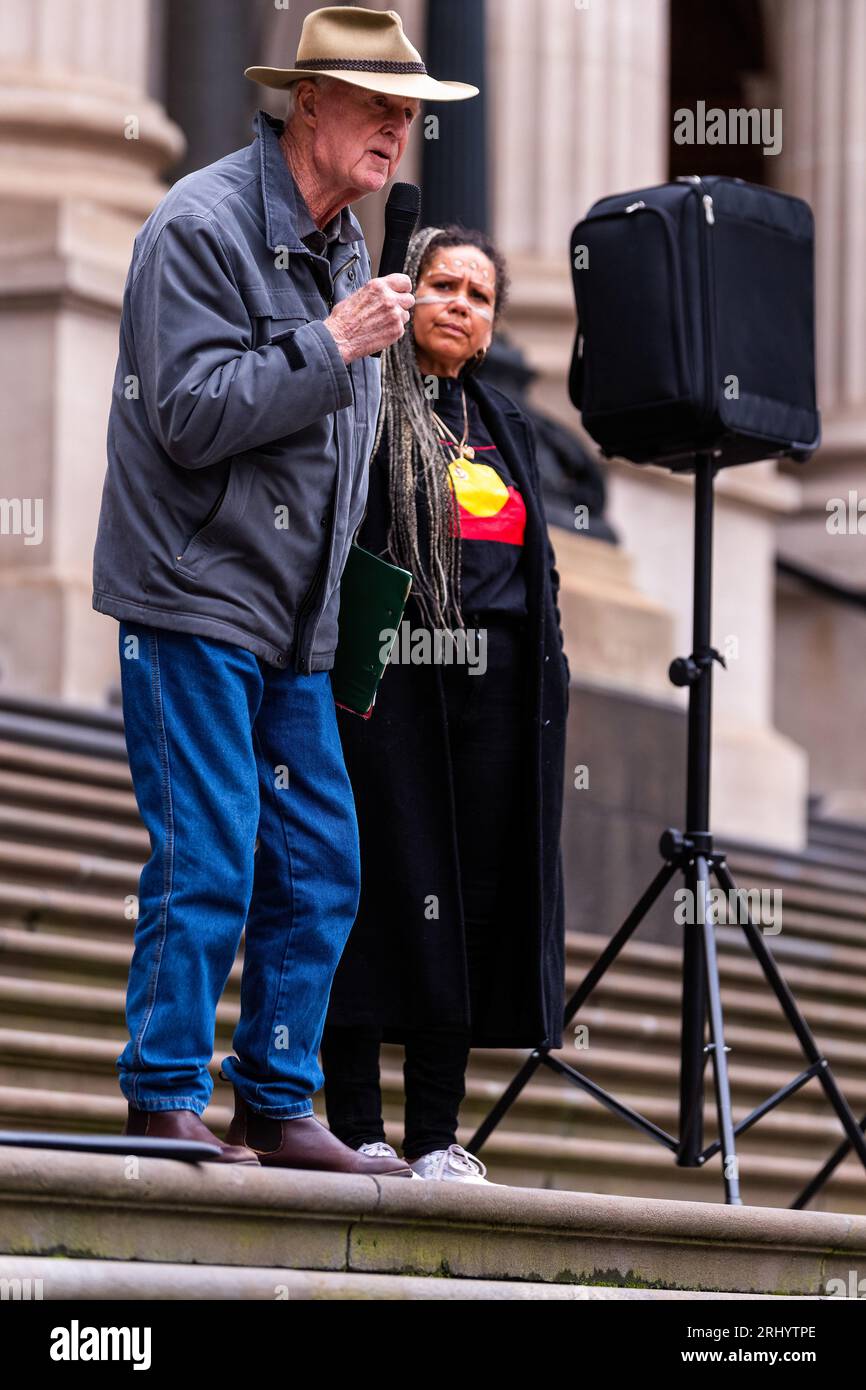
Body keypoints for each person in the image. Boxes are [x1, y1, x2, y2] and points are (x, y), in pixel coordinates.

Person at [90, 7, 477, 1172]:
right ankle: (164, 1094)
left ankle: (275, 1097)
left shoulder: (349, 251)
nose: (397, 132)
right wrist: (331, 342)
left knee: (320, 865)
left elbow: (342, 467)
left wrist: (346, 633)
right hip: (193, 597)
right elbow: (190, 413)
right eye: (377, 107)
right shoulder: (199, 224)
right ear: (307, 102)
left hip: (295, 630)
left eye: (409, 116)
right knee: (208, 850)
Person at [321, 224, 570, 1183]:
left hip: (497, 703)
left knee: (465, 910)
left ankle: (434, 1134)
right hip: (390, 687)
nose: (461, 304)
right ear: (406, 291)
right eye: (443, 284)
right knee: (369, 888)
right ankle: (354, 1125)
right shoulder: (367, 398)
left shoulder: (505, 422)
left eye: (479, 294)